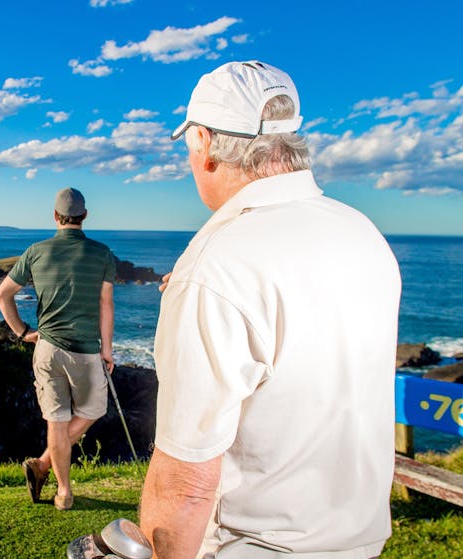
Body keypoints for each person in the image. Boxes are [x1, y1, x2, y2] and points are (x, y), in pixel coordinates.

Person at [138, 61, 401, 558]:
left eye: (190, 147)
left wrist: (201, 294)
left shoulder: (218, 264)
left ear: (206, 144)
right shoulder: (363, 233)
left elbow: (186, 484)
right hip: (360, 543)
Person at [0, 187, 116, 511]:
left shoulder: (36, 251)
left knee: (57, 422)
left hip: (46, 349)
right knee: (91, 412)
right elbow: (106, 303)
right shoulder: (102, 253)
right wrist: (107, 350)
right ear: (85, 216)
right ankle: (57, 484)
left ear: (55, 216)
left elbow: (2, 295)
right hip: (86, 352)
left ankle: (53, 479)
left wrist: (23, 332)